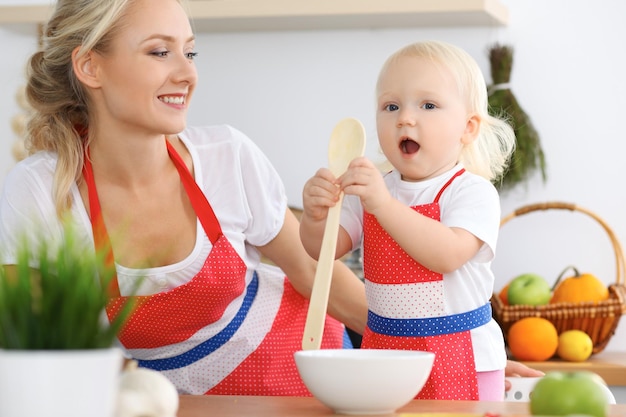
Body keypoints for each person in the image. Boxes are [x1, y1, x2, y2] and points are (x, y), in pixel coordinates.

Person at [0, 0, 367, 396]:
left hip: (307, 372)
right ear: (91, 66)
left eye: (190, 53)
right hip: (173, 401)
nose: (187, 73)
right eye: (160, 52)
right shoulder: (39, 192)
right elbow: (42, 350)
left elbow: (314, 275)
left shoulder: (228, 155)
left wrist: (422, 345)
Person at [300, 40, 517, 401]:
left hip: (462, 358)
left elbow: (447, 253)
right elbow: (323, 251)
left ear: (468, 127)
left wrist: (382, 205)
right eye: (391, 106)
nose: (405, 117)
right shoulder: (371, 190)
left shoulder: (471, 193)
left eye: (428, 105)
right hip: (383, 353)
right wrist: (315, 214)